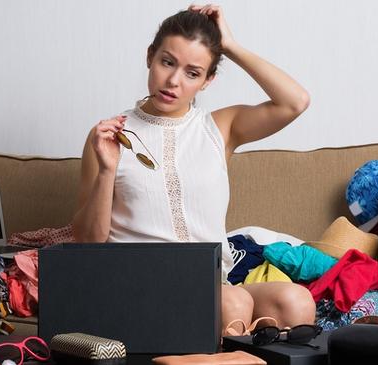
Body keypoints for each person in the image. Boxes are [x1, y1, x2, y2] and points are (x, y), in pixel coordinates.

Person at [72, 3, 315, 335]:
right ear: (150, 57)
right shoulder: (111, 135)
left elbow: (295, 101)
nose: (173, 81)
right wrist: (106, 171)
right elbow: (88, 241)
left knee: (297, 302)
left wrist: (229, 45)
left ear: (208, 80)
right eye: (167, 62)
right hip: (138, 285)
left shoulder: (219, 128)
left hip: (214, 283)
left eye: (192, 72)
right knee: (232, 304)